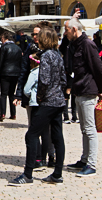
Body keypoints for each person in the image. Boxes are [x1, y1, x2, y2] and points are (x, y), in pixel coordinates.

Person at [12, 29, 67, 185]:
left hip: (48, 101)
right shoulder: (57, 54)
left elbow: (43, 80)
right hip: (58, 101)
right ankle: (57, 173)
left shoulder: (46, 56)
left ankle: (28, 174)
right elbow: (63, 78)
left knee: (32, 134)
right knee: (57, 137)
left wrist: (41, 96)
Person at [63, 18, 102, 176]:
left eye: (66, 30)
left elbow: (97, 67)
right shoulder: (74, 45)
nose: (65, 33)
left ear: (74, 29)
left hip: (88, 89)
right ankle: (84, 158)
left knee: (89, 128)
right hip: (79, 89)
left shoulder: (87, 44)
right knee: (83, 128)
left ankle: (91, 164)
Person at [0, 32, 24, 122]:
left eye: (2, 38)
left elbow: (0, 62)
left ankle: (2, 113)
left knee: (4, 94)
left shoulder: (4, 47)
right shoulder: (18, 48)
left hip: (5, 73)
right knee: (11, 94)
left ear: (4, 38)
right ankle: (13, 114)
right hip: (15, 73)